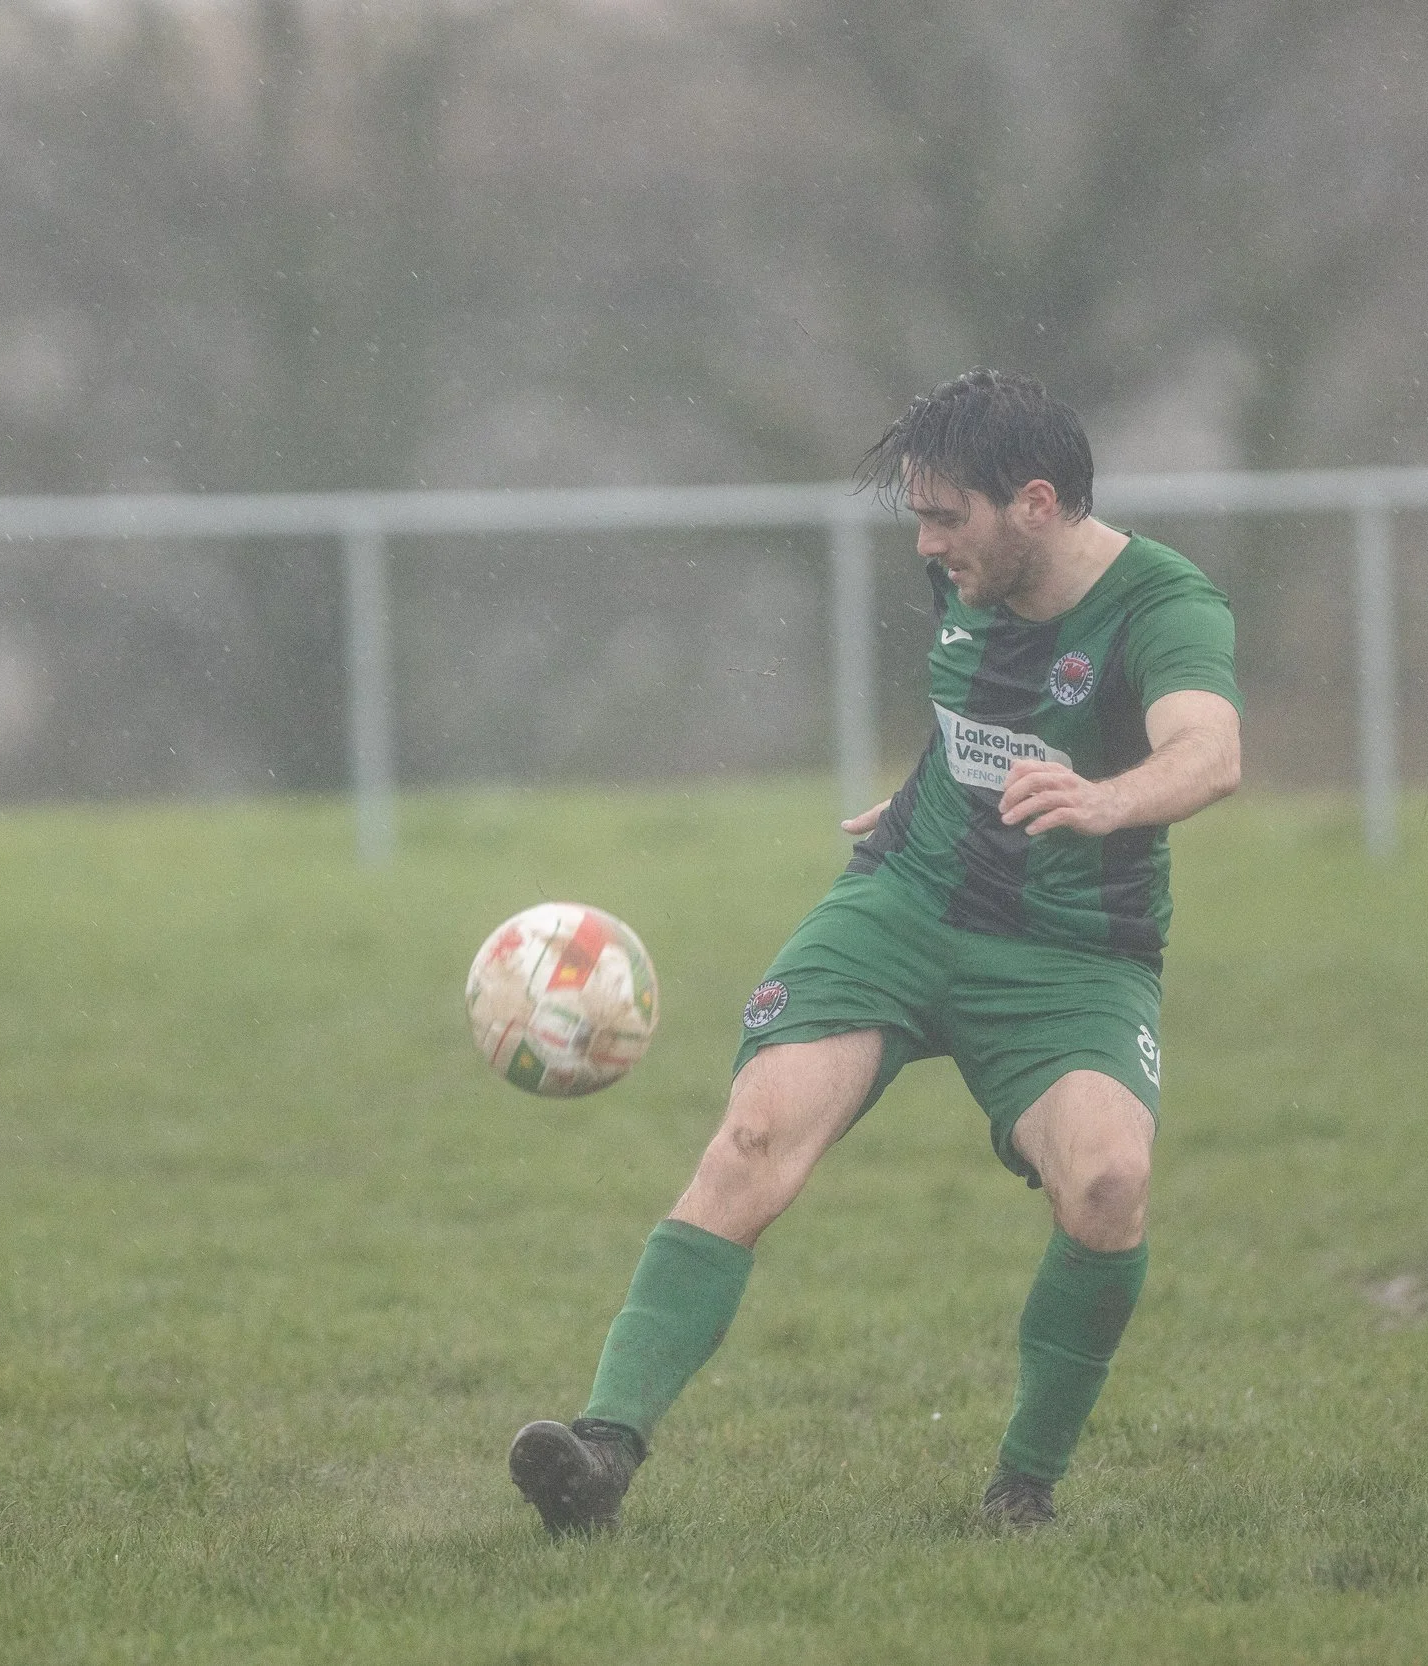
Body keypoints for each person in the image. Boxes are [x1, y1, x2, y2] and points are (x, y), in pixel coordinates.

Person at [508, 371, 1243, 1534]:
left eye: (945, 514)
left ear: (1036, 505)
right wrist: (917, 796)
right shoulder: (965, 571)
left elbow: (1208, 751)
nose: (923, 539)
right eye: (917, 511)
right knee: (754, 1136)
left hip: (1071, 952)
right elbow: (979, 713)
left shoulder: (1165, 606)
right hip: (901, 906)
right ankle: (600, 1452)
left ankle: (1021, 1487)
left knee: (1107, 1183)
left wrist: (1108, 801)